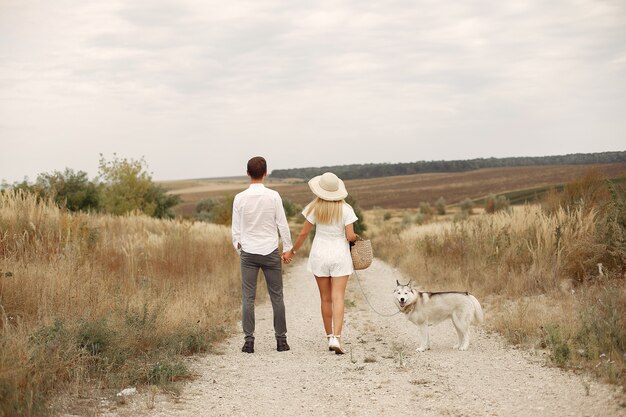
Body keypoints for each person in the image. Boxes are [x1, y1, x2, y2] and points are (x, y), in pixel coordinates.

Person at [283, 172, 358, 354]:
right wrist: (355, 238)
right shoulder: (346, 210)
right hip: (340, 254)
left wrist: (292, 251)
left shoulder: (313, 208)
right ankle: (337, 338)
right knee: (338, 297)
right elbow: (350, 236)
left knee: (325, 298)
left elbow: (303, 234)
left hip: (320, 254)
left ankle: (328, 336)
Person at [232, 156, 294, 353]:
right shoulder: (274, 196)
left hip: (248, 253)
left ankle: (248, 341)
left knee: (248, 298)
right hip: (270, 251)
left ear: (248, 173)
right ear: (266, 172)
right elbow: (282, 224)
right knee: (277, 296)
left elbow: (236, 230)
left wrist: (239, 248)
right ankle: (281, 341)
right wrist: (287, 248)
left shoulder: (239, 198)